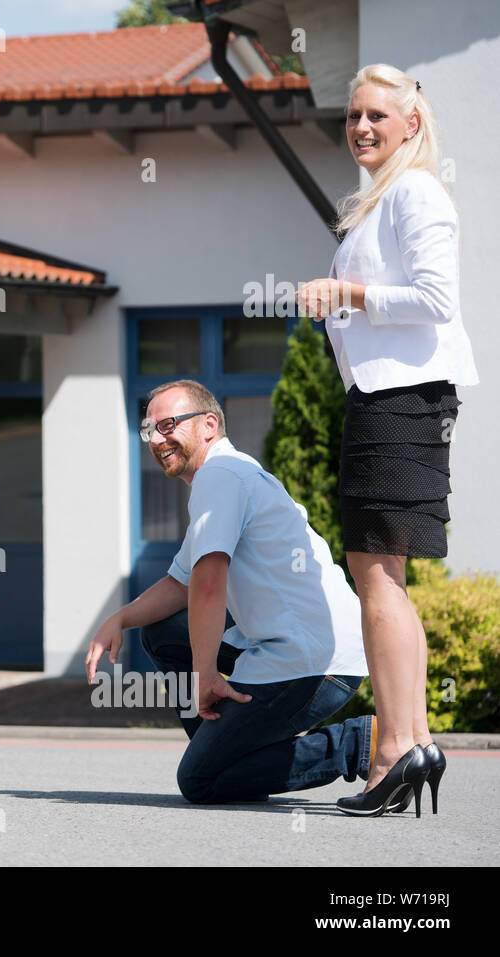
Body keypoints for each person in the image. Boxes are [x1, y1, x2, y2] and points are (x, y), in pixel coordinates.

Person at [84, 381, 405, 809]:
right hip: (301, 652)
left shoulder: (220, 477)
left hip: (312, 664)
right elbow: (180, 585)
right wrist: (118, 619)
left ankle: (357, 743)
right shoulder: (226, 476)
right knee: (160, 633)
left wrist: (204, 673)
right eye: (149, 430)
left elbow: (208, 583)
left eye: (167, 425)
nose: (157, 440)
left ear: (209, 425)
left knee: (198, 782)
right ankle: (226, 751)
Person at [296, 65, 476, 815]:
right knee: (384, 576)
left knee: (378, 578)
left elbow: (436, 299)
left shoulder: (415, 191)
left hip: (403, 402)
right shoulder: (378, 201)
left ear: (409, 122)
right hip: (385, 399)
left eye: (376, 114)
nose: (361, 126)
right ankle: (408, 741)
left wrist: (345, 294)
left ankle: (399, 746)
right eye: (353, 116)